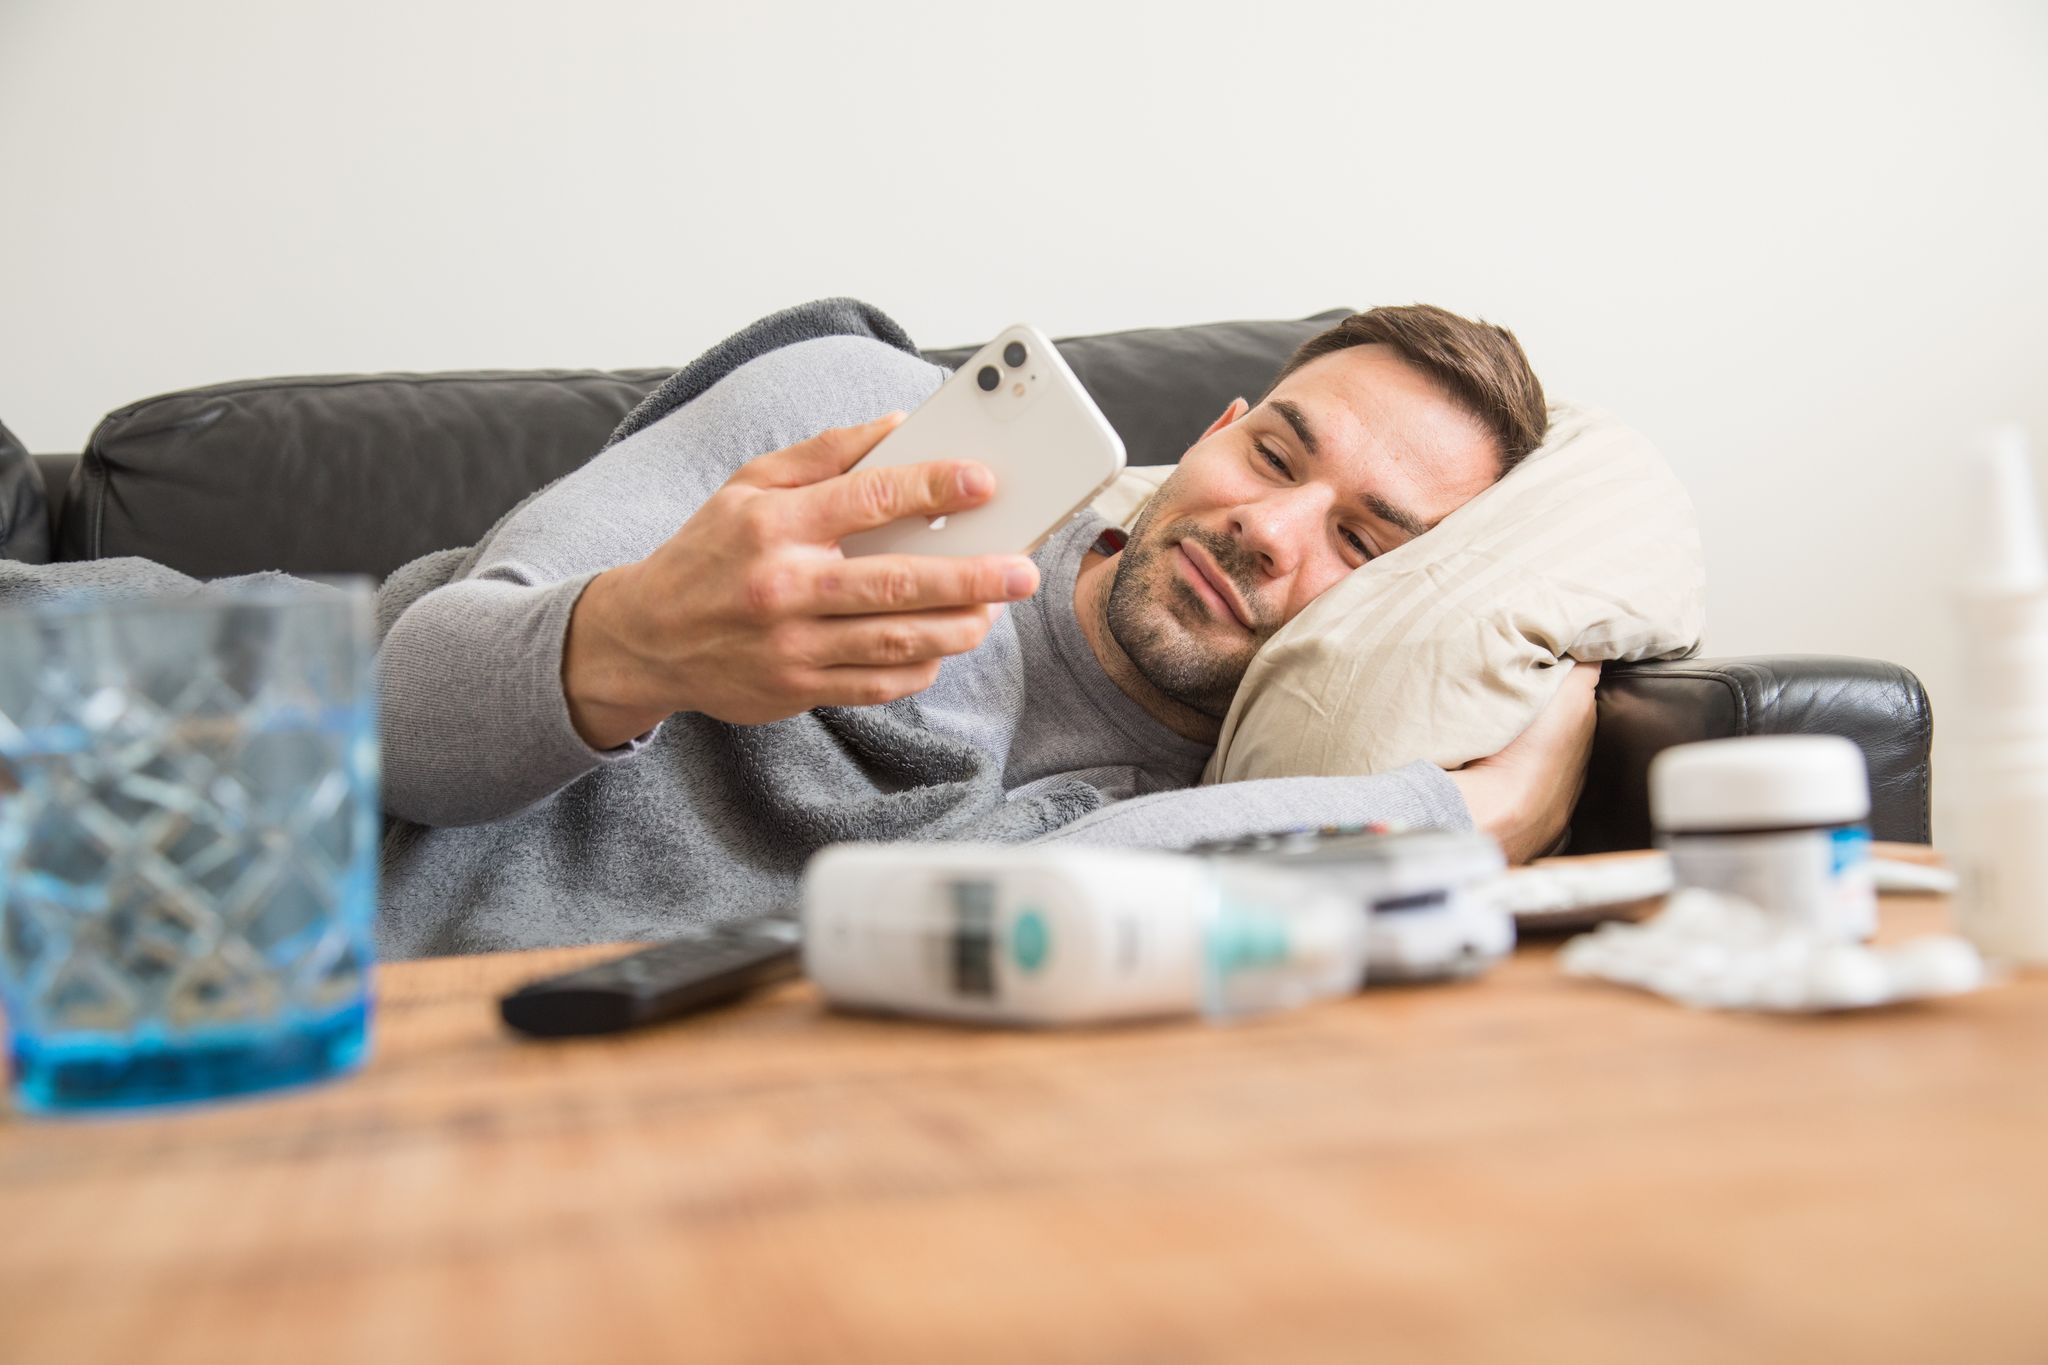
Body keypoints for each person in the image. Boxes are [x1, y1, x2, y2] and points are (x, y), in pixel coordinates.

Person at [373, 304, 1596, 956]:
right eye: (1269, 453)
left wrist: (1464, 813)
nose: (1269, 531)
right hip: (233, 776)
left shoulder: (1200, 811)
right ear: (1217, 426)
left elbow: (984, 936)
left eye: (1363, 545)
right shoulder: (874, 431)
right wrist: (632, 643)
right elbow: (388, 719)